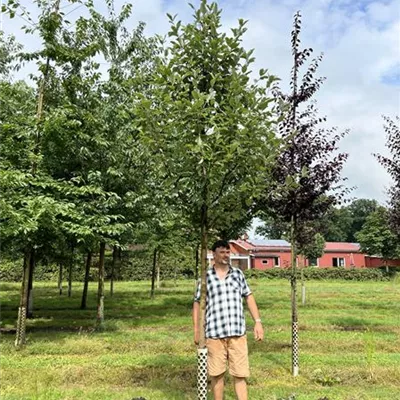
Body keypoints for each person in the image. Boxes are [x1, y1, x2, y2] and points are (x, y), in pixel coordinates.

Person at [193, 239, 264, 400]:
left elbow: (249, 297)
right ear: (213, 254)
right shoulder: (205, 278)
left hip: (237, 334)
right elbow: (197, 303)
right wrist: (197, 330)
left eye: (228, 252)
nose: (226, 255)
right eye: (222, 252)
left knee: (240, 374)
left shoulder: (238, 274)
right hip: (214, 334)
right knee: (216, 374)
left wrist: (258, 322)